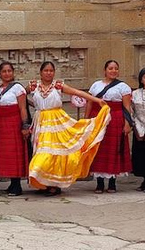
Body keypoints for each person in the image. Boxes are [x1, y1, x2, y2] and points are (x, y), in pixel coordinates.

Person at [27, 61, 110, 196]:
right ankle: (45, 183)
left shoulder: (58, 86)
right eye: (46, 70)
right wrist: (35, 105)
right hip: (41, 123)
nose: (48, 73)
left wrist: (97, 100)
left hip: (57, 122)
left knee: (55, 153)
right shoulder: (33, 86)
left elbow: (78, 92)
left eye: (51, 71)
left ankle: (54, 185)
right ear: (41, 72)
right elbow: (20, 96)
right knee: (42, 152)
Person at [86, 60, 133, 193]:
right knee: (98, 148)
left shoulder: (123, 87)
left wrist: (127, 123)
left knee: (114, 148)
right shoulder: (96, 85)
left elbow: (127, 107)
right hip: (97, 118)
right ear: (105, 70)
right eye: (110, 68)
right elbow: (89, 103)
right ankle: (99, 183)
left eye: (116, 68)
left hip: (115, 119)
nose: (113, 71)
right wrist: (86, 120)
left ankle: (112, 182)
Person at [0, 62, 31, 197]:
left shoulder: (18, 88)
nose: (7, 74)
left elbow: (23, 108)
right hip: (1, 125)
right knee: (5, 155)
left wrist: (25, 126)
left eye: (9, 71)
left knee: (14, 154)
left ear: (13, 72)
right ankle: (11, 184)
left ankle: (17, 185)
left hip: (14, 123)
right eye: (4, 71)